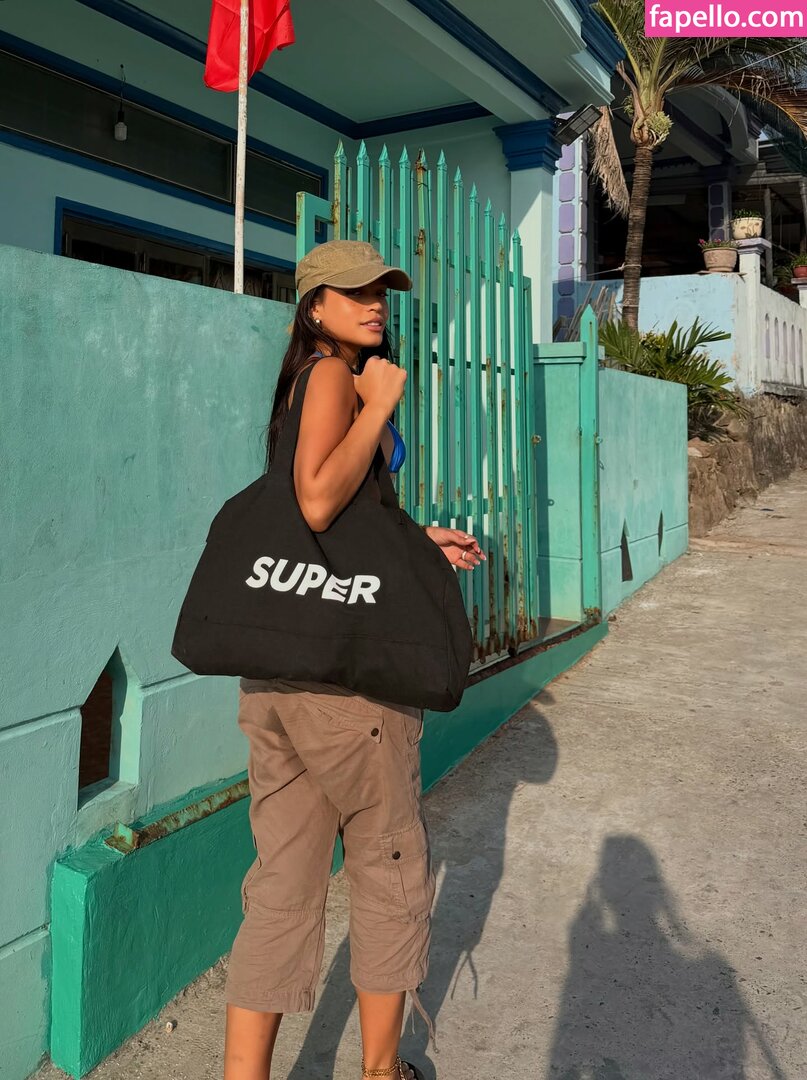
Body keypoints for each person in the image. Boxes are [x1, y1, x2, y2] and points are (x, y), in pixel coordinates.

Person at [223, 240, 485, 1080]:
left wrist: (415, 541)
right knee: (386, 870)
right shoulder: (335, 375)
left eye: (381, 290)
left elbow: (335, 524)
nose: (374, 302)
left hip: (278, 681)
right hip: (346, 689)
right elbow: (315, 499)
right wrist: (380, 404)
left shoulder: (304, 382)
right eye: (353, 291)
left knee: (281, 884)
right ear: (314, 307)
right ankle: (379, 1073)